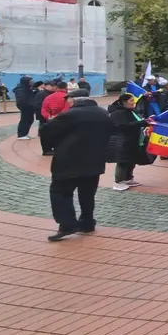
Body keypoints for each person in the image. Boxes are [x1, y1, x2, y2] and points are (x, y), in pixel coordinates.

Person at [39, 90, 113, 241]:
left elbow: (47, 132)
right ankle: (87, 222)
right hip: (95, 159)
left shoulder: (69, 115)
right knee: (87, 193)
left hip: (69, 161)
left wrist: (54, 145)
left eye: (67, 99)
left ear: (73, 100)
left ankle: (67, 224)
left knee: (60, 191)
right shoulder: (103, 113)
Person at [106, 93, 150, 191]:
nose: (133, 102)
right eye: (131, 100)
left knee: (131, 160)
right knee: (123, 161)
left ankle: (128, 178)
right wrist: (142, 123)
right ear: (124, 102)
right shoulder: (117, 113)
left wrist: (145, 121)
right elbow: (123, 125)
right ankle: (119, 181)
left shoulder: (130, 111)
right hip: (122, 141)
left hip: (133, 140)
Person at [39, 80, 70, 155]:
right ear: (66, 87)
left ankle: (48, 150)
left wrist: (49, 117)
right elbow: (67, 109)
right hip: (63, 119)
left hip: (51, 119)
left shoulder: (48, 97)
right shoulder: (67, 97)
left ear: (57, 87)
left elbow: (44, 109)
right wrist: (58, 116)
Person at [12, 75, 36, 140]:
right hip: (25, 107)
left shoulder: (28, 88)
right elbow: (22, 100)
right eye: (30, 81)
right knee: (25, 120)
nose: (32, 82)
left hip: (29, 107)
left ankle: (25, 133)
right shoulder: (20, 89)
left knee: (30, 120)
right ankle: (21, 135)